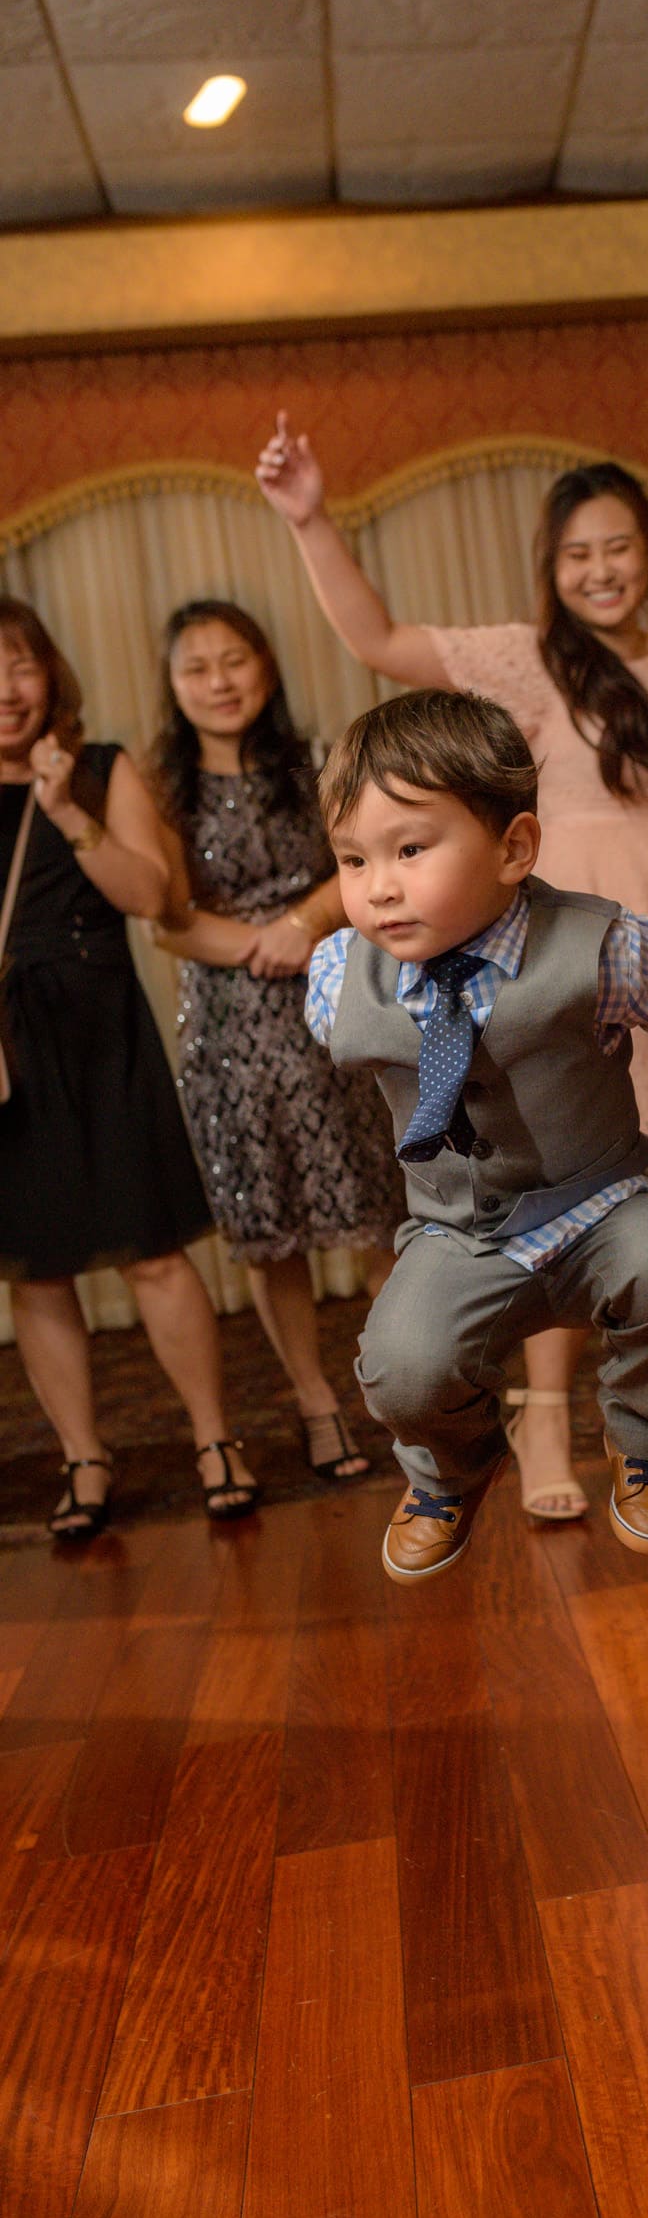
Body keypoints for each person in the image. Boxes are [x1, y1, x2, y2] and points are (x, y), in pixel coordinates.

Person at [255, 428, 648, 1526]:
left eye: (619, 547)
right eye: (576, 554)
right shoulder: (525, 661)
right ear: (550, 569)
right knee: (542, 1162)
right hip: (543, 923)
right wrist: (311, 520)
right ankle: (543, 1414)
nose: (600, 569)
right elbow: (378, 637)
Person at [305, 687, 648, 1574]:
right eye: (353, 860)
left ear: (514, 847)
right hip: (457, 1231)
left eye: (409, 849)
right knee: (401, 1367)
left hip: (601, 1204)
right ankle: (453, 1472)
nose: (379, 887)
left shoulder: (598, 944)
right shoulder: (338, 976)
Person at [0, 600, 259, 1534]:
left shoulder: (102, 769)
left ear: (50, 672)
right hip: (7, 1051)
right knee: (36, 1271)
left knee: (153, 1253)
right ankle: (84, 1459)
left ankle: (215, 1439)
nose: (5, 688)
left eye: (20, 665)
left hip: (102, 1029)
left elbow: (155, 896)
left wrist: (67, 811)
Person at [150, 600, 402, 1481]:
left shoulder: (319, 761)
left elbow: (363, 866)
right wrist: (267, 943)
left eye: (235, 661)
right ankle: (315, 1404)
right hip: (227, 1032)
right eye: (197, 668)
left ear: (266, 666)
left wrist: (302, 924)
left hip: (337, 1006)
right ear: (173, 686)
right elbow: (167, 920)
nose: (220, 683)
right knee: (272, 1232)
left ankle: (408, 1390)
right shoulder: (158, 788)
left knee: (377, 1208)